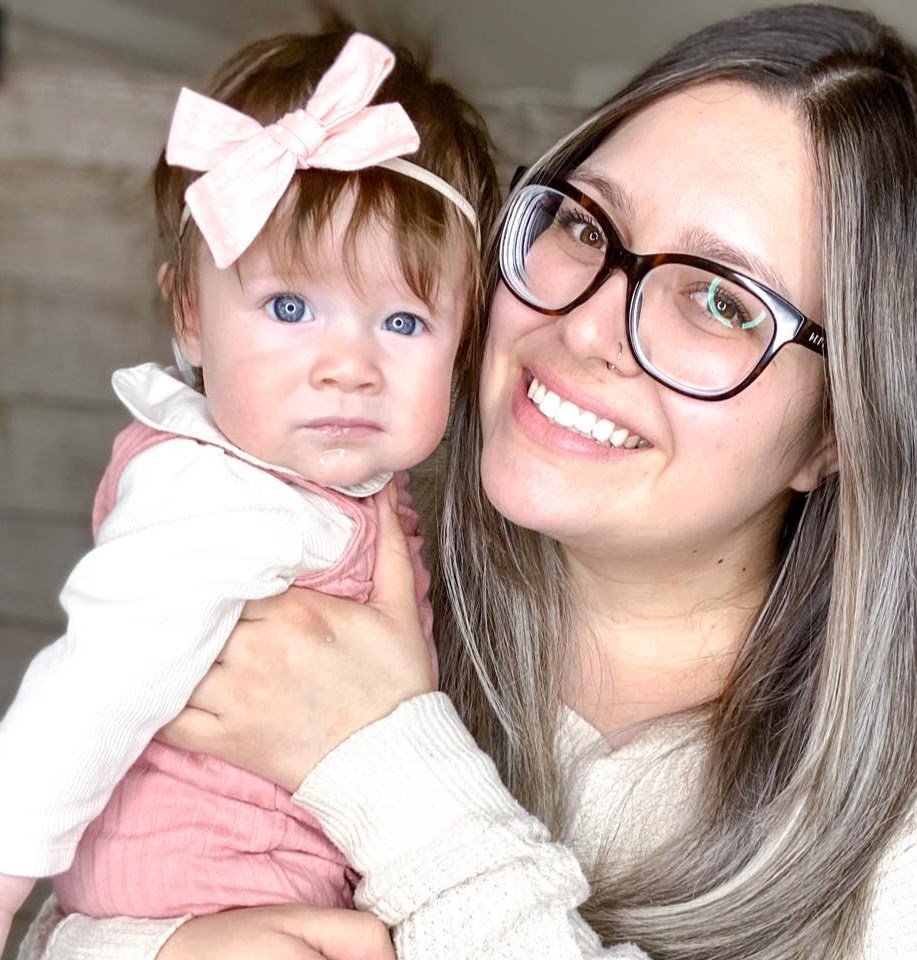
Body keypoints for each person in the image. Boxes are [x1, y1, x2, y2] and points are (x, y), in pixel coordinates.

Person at [17, 3, 917, 959]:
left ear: (839, 431)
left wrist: (384, 761)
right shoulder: (313, 567)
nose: (582, 326)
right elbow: (94, 870)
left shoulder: (894, 838)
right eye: (580, 224)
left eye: (717, 300)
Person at [0, 25, 498, 958]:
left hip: (274, 897)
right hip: (189, 907)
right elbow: (91, 688)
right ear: (189, 316)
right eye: (289, 307)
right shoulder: (215, 492)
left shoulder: (344, 493)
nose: (346, 365)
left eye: (402, 318)